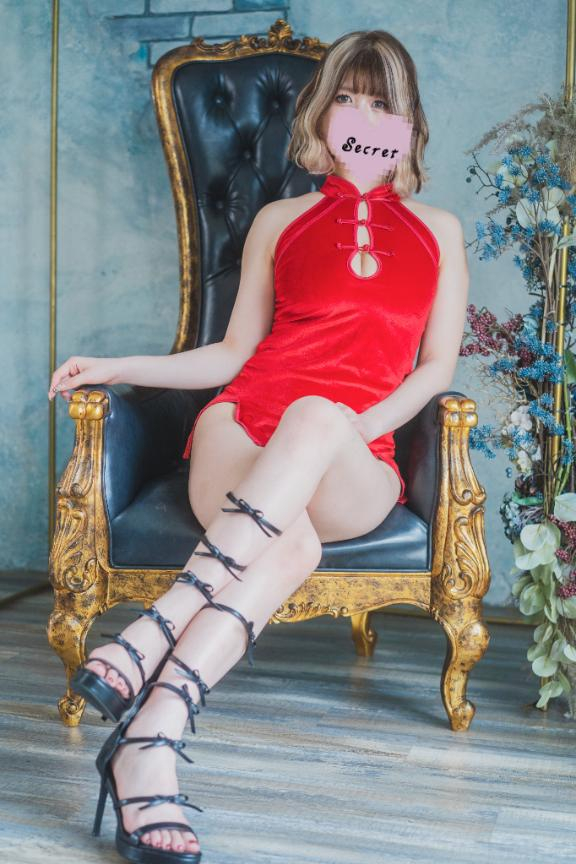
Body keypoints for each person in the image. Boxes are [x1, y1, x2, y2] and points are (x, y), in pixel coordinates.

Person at [47, 28, 468, 864]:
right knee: (291, 543)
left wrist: (351, 428)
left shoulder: (440, 230)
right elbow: (234, 354)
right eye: (346, 99)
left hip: (354, 458)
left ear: (409, 124)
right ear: (322, 115)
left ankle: (154, 629)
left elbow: (436, 370)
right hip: (241, 434)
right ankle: (150, 744)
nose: (361, 118)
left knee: (316, 415)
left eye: (380, 104)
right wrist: (119, 364)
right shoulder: (280, 220)